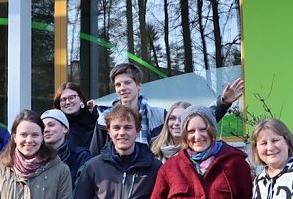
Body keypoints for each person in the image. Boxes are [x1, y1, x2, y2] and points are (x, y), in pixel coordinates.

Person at [89, 62, 244, 155]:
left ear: (138, 85)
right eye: (118, 84)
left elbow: (196, 121)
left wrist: (223, 103)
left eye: (127, 83)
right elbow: (95, 155)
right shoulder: (104, 119)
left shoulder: (159, 115)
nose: (122, 88)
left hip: (150, 179)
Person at [40, 108, 92, 187]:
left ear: (65, 129)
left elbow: (81, 192)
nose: (46, 130)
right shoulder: (34, 159)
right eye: (43, 127)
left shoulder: (81, 157)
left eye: (51, 125)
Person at [53, 82, 98, 150]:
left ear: (81, 99)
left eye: (71, 97)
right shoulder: (56, 125)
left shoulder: (95, 118)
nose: (67, 102)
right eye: (63, 99)